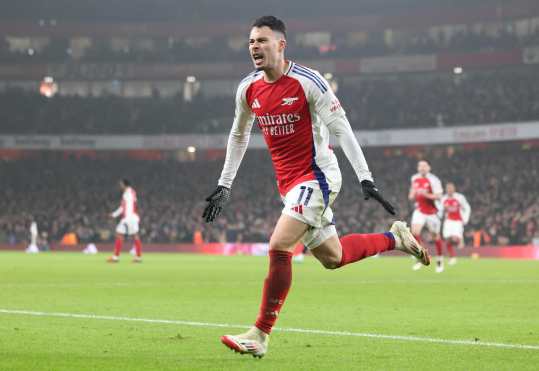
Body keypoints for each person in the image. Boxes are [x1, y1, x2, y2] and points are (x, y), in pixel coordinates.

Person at [202, 16, 430, 358]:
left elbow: (342, 129)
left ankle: (260, 334)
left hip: (318, 176)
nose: (255, 47)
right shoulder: (248, 88)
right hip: (288, 185)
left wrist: (365, 176)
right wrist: (225, 184)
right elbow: (239, 134)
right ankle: (396, 238)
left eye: (262, 40)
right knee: (332, 257)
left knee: (279, 245)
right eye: (251, 41)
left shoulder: (309, 82)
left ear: (281, 45)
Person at [408, 160, 443, 271]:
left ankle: (439, 260)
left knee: (435, 236)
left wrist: (426, 194)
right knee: (415, 232)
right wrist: (412, 195)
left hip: (432, 212)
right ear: (418, 168)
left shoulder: (434, 180)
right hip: (419, 209)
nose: (422, 168)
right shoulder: (414, 178)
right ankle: (420, 257)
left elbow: (438, 196)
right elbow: (411, 194)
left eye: (424, 166)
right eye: (420, 166)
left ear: (429, 168)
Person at [107, 179, 143, 263]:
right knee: (128, 235)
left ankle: (117, 257)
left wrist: (115, 215)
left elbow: (125, 207)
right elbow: (129, 205)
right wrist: (114, 214)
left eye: (121, 184)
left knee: (129, 235)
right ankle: (136, 257)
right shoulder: (131, 192)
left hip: (128, 218)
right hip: (131, 217)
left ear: (124, 185)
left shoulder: (128, 193)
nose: (120, 186)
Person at [438, 182, 471, 272]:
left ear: (454, 189)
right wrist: (441, 213)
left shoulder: (460, 198)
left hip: (457, 221)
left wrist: (465, 219)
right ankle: (452, 257)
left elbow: (467, 207)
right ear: (446, 190)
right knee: (447, 239)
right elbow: (440, 210)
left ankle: (461, 240)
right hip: (448, 221)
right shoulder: (443, 199)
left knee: (455, 239)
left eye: (451, 188)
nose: (449, 190)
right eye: (448, 188)